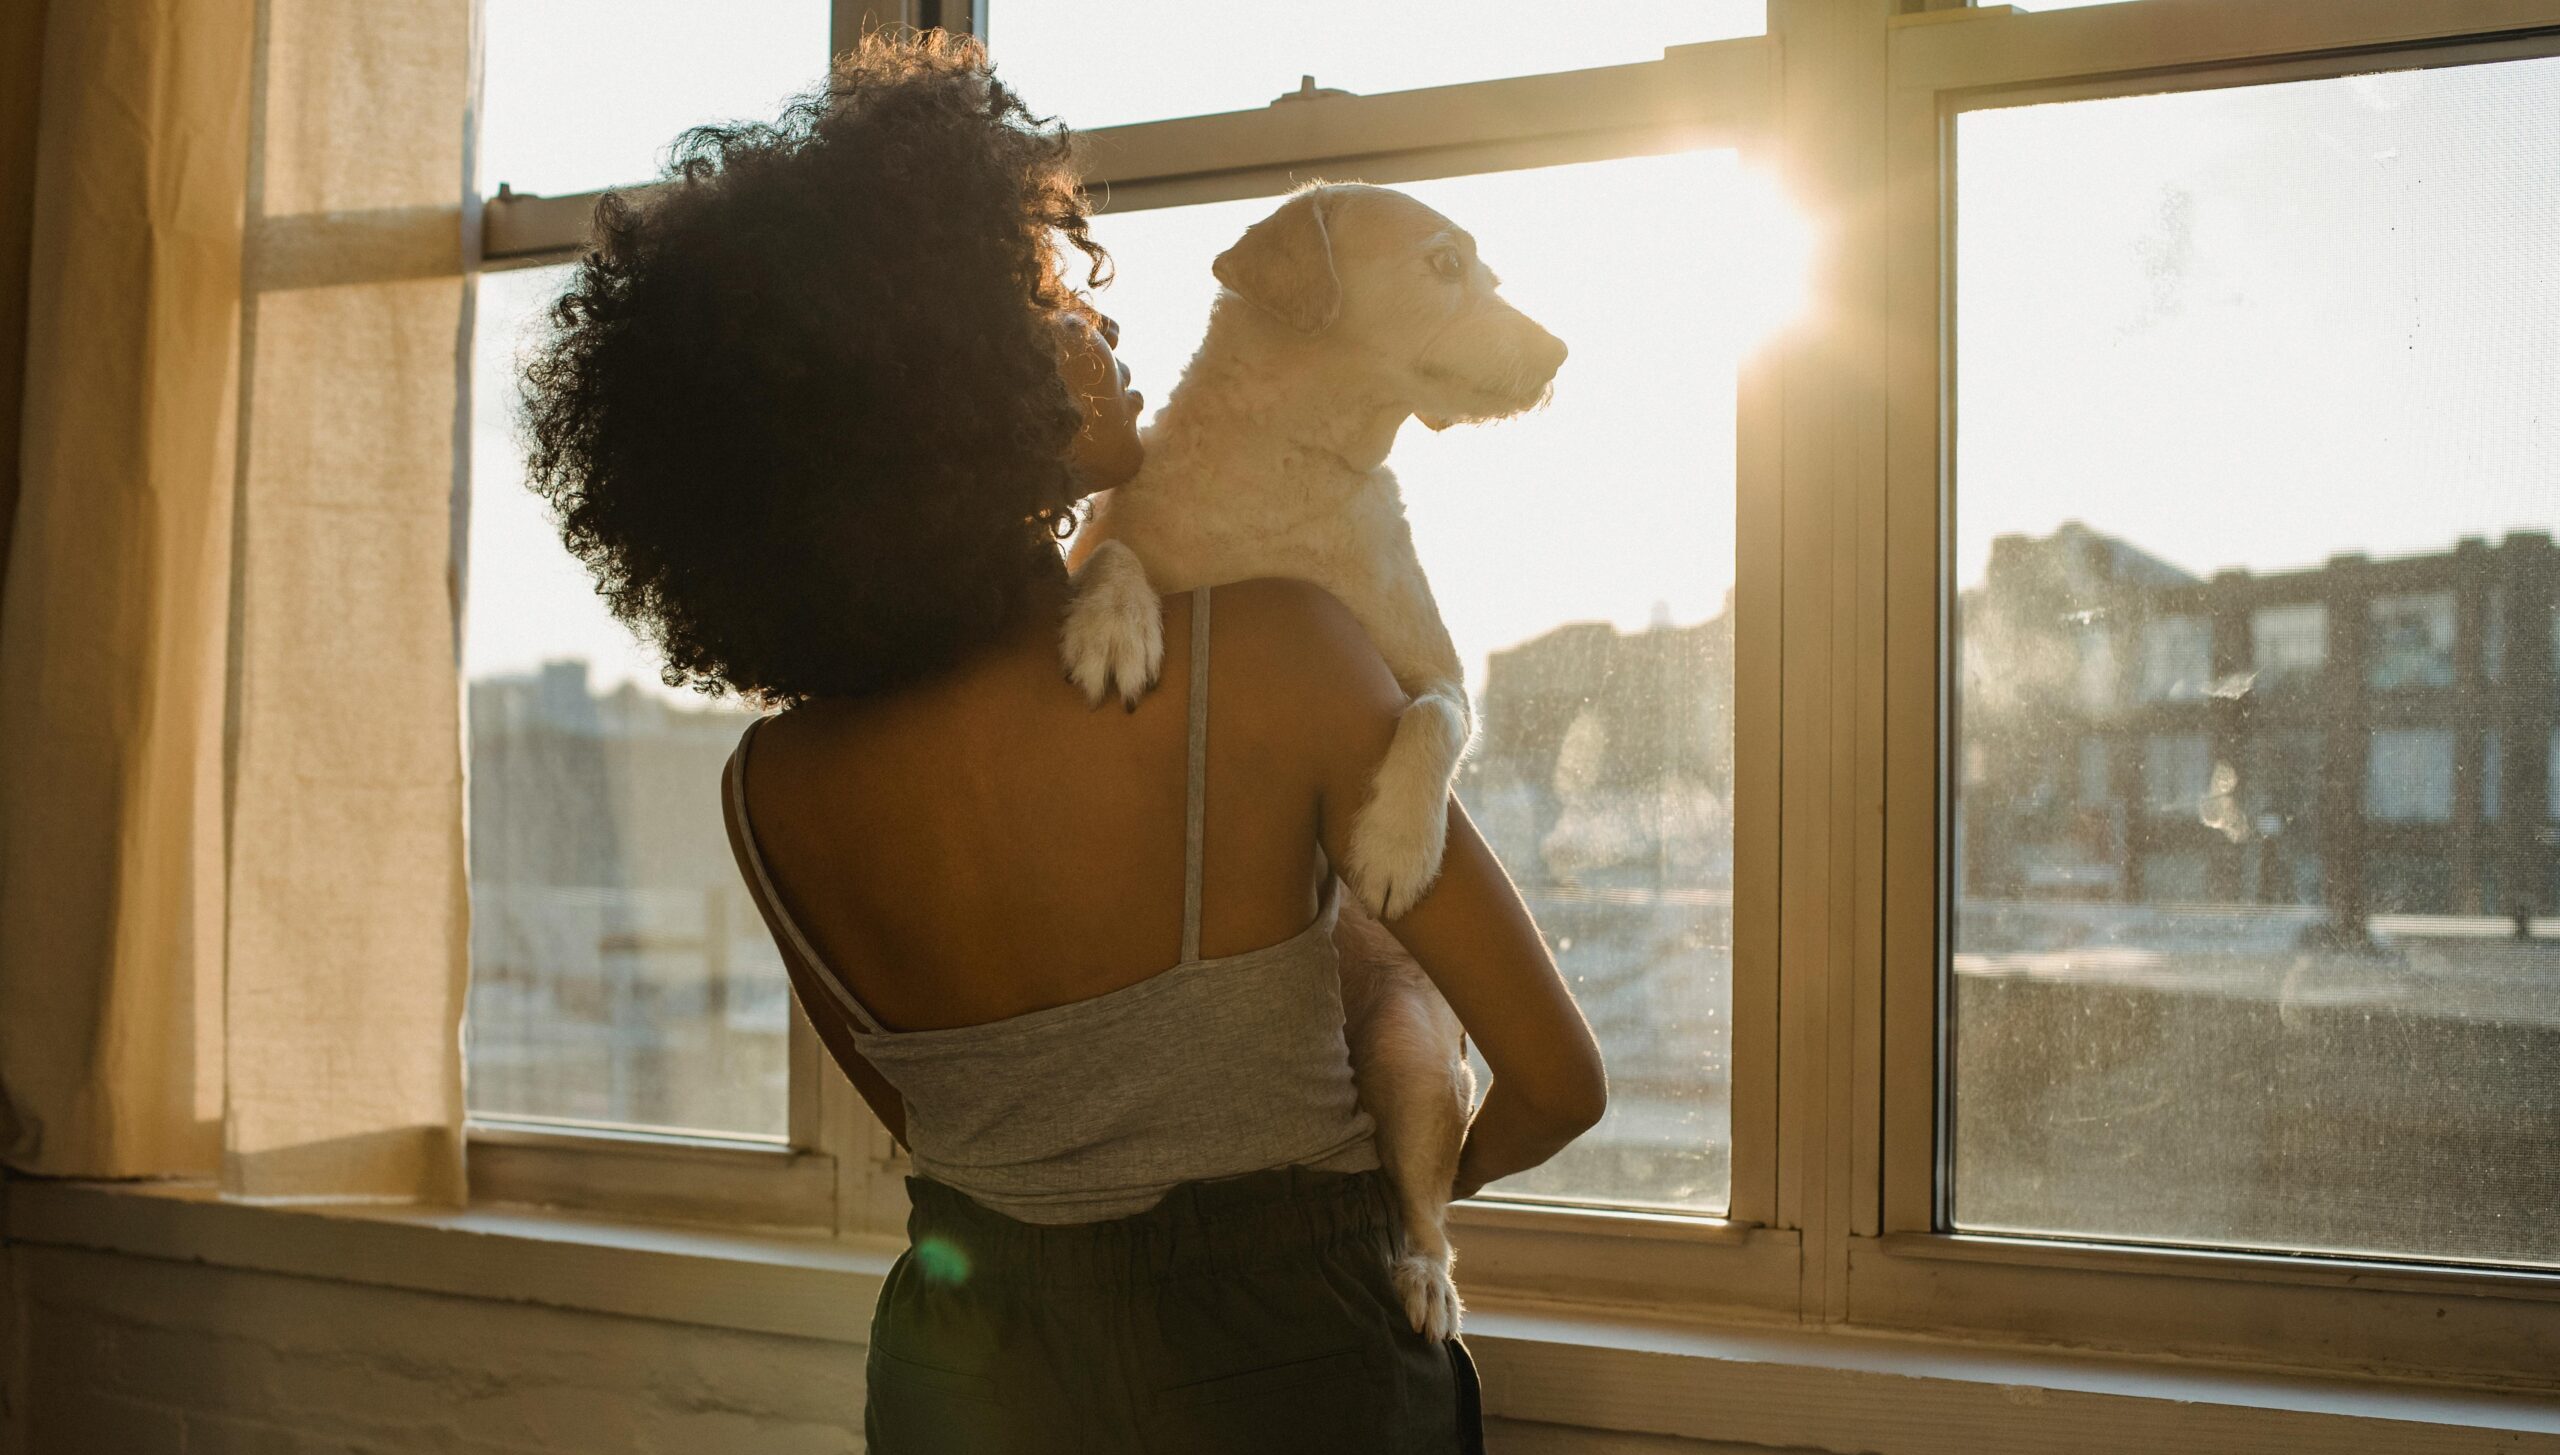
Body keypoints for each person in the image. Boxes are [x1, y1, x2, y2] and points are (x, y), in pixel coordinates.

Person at [518, 31, 1606, 1454]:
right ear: (946, 388)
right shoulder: (1278, 654)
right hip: (1291, 1366)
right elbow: (1560, 1083)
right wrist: (1365, 1211)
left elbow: (949, 1127)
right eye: (1049, 302)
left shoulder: (768, 791)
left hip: (963, 1366)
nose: (1102, 326)